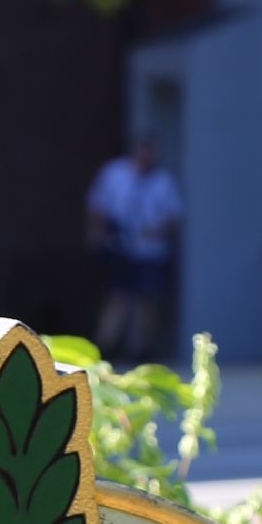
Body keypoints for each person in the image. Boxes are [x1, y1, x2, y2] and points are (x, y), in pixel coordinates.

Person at [87, 133, 183, 363]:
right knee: (117, 297)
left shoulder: (162, 182)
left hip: (149, 250)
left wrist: (155, 231)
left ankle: (144, 350)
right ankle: (106, 349)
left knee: (147, 300)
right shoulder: (115, 174)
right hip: (119, 247)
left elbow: (173, 215)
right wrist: (98, 235)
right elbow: (97, 205)